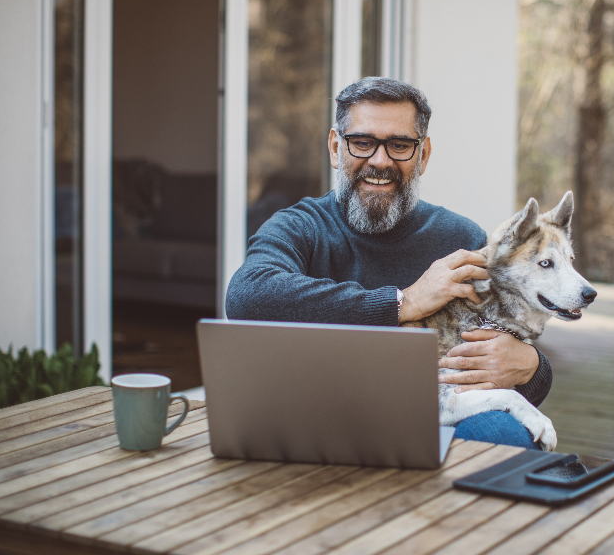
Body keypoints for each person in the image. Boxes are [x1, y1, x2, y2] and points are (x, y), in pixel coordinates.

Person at [225, 77, 554, 449]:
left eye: (400, 145)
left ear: (423, 155)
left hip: (430, 415)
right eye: (362, 143)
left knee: (505, 437)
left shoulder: (462, 240)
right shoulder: (300, 226)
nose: (380, 161)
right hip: (318, 409)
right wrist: (404, 302)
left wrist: (530, 366)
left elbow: (504, 352)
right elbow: (246, 296)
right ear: (336, 148)